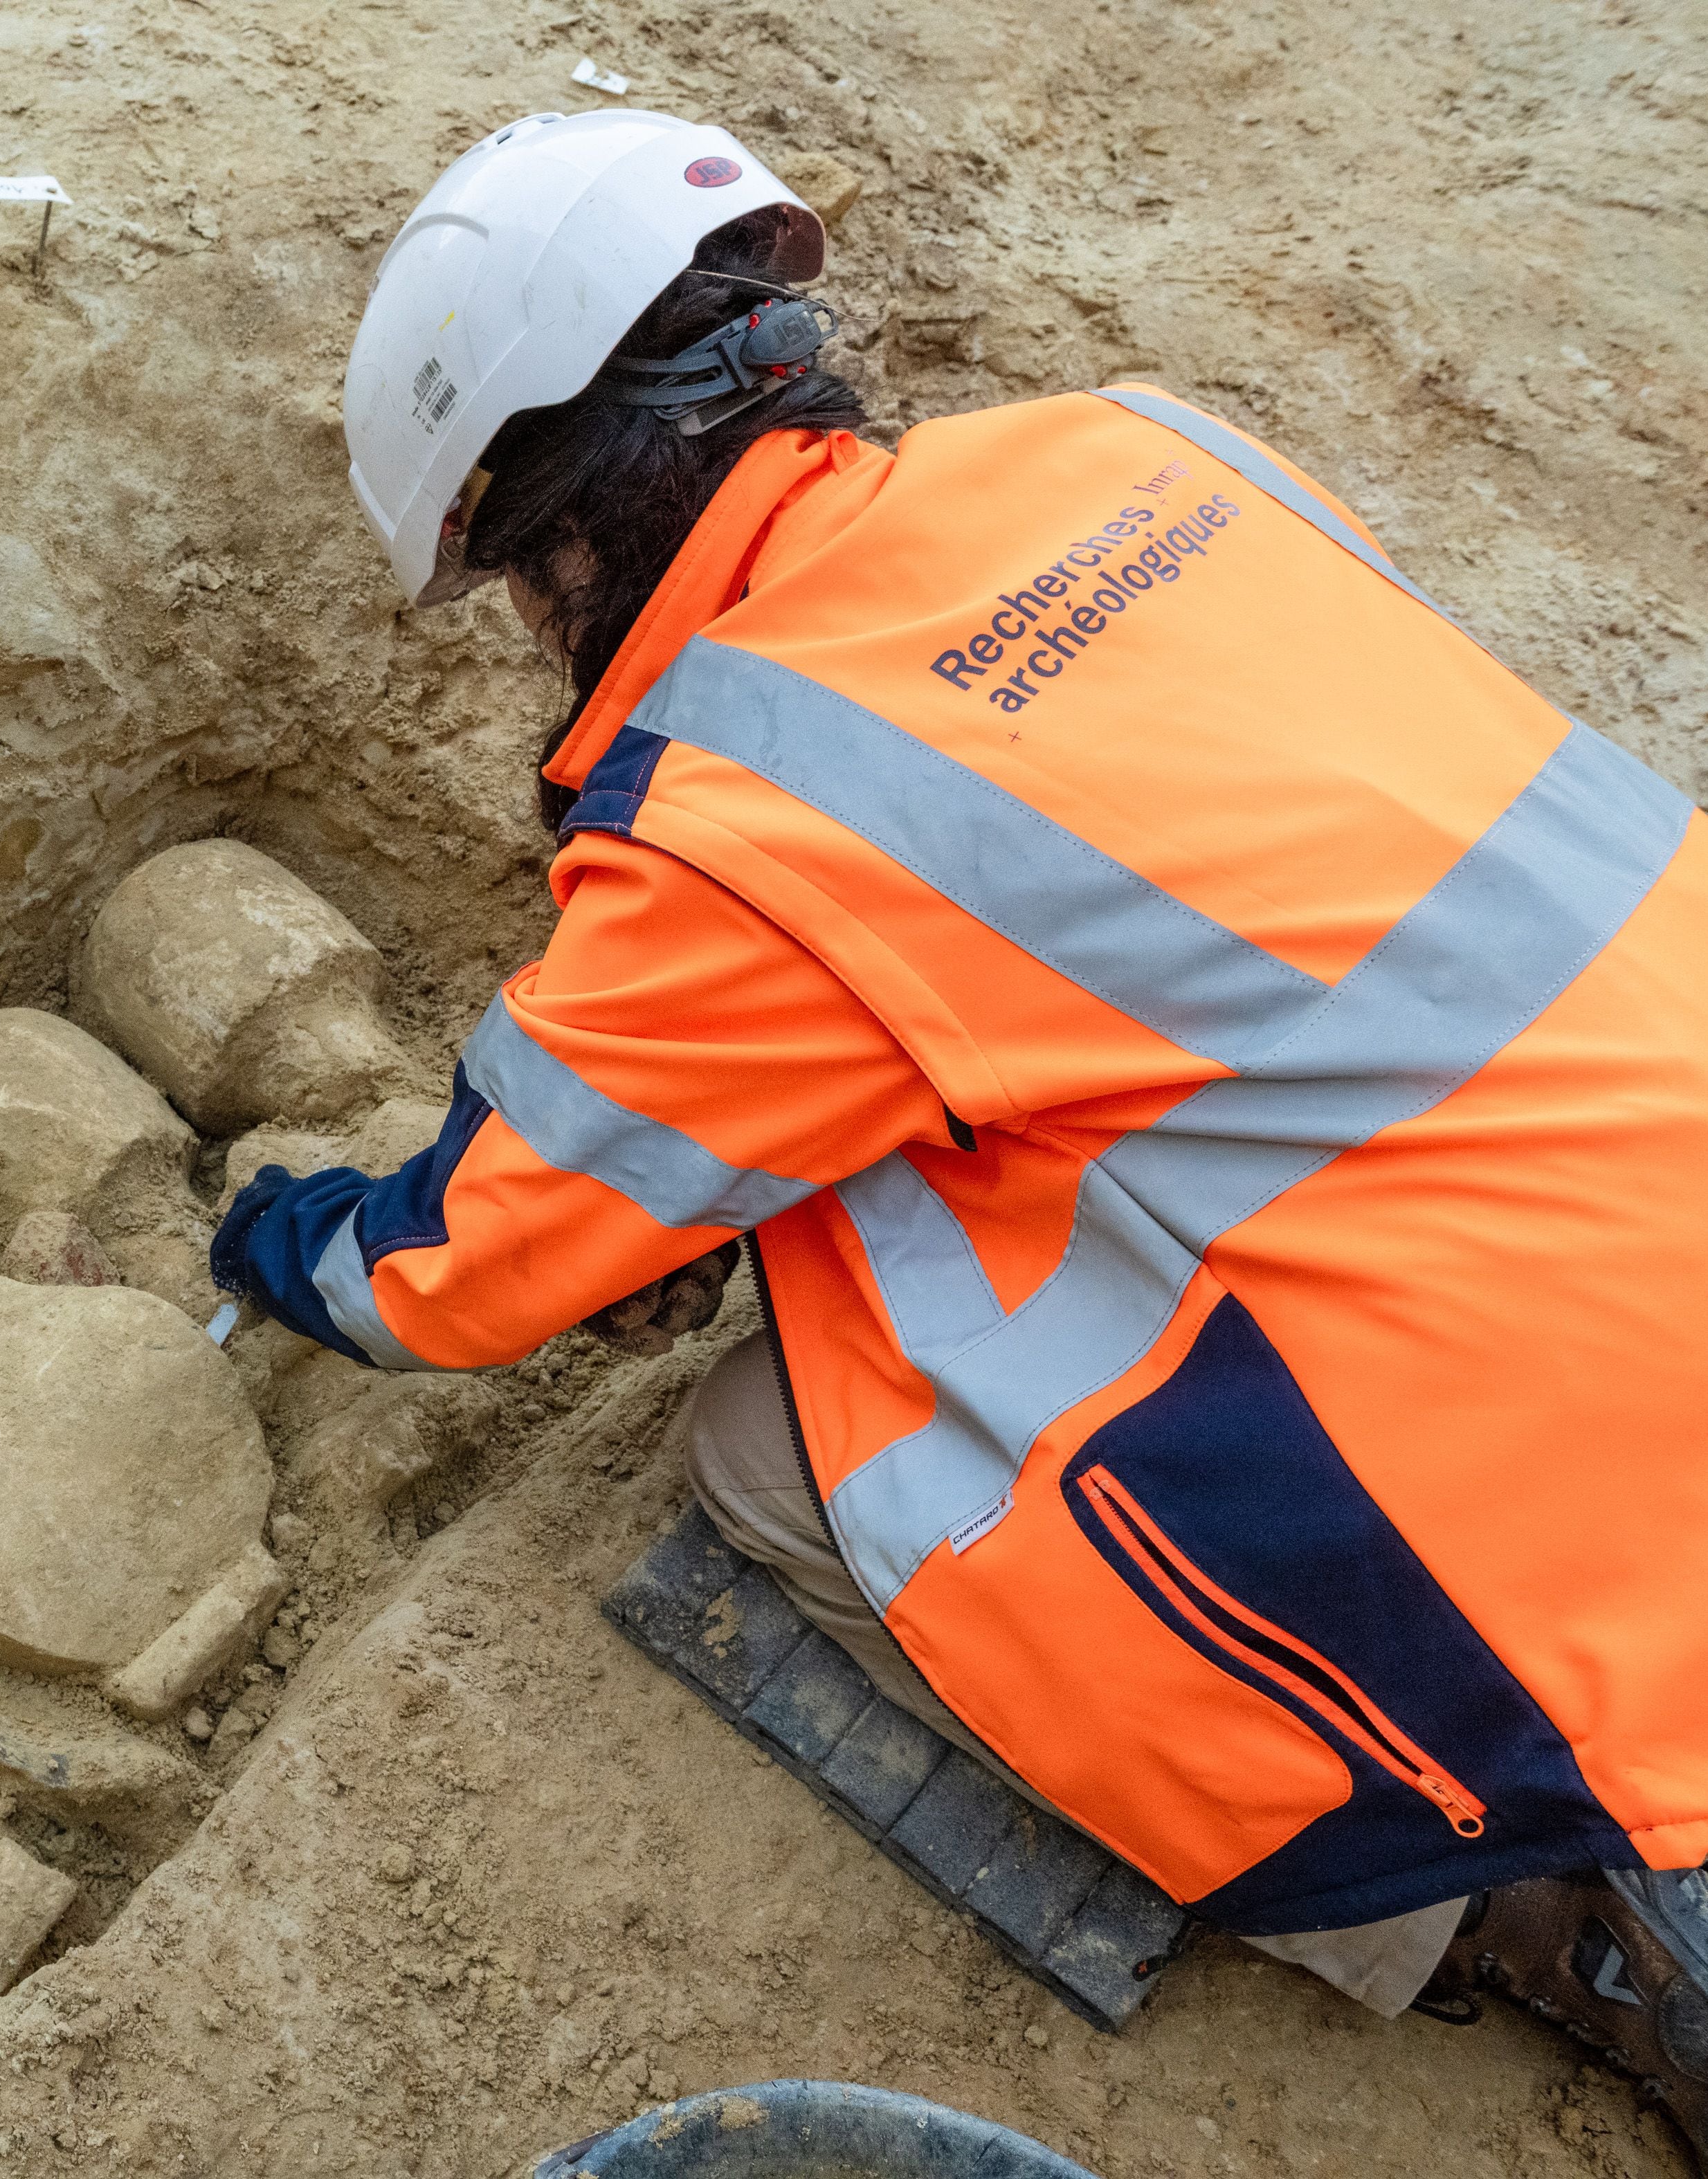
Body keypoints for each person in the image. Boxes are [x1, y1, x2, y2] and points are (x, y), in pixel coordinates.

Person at [208, 107, 1708, 2135]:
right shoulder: (1138, 447)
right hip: (1637, 1110)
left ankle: (1512, 1905)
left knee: (780, 1457)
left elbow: (450, 1277)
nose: (535, 635)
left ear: (559, 513)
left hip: (1607, 1506)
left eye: (507, 585)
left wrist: (275, 1235)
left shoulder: (738, 815)